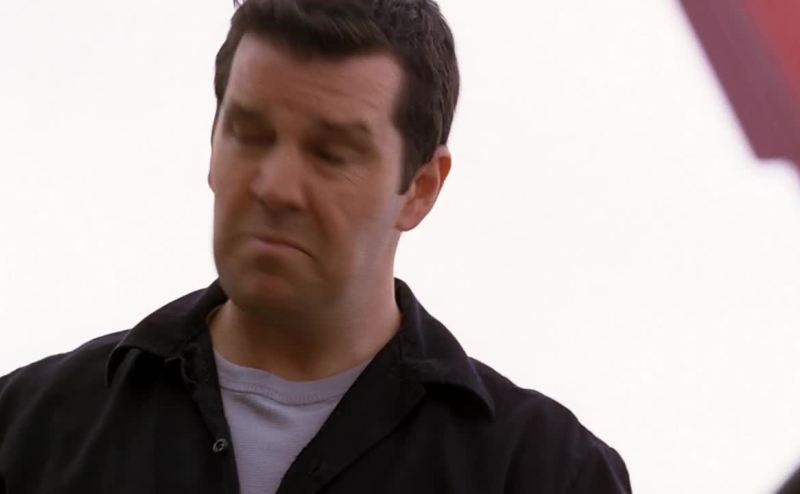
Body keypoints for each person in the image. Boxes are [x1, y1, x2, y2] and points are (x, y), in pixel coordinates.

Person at [0, 0, 631, 492]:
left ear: (421, 189)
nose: (275, 187)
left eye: (331, 154)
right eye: (250, 134)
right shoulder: (29, 430)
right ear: (212, 145)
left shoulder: (544, 473)